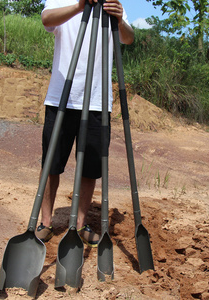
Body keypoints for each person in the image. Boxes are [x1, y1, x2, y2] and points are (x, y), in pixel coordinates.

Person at [36, 0, 134, 247]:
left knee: (90, 167)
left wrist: (120, 20)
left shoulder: (111, 3)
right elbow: (47, 19)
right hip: (62, 98)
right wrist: (79, 7)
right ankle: (45, 222)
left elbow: (129, 38)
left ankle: (79, 224)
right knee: (51, 163)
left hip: (98, 102)